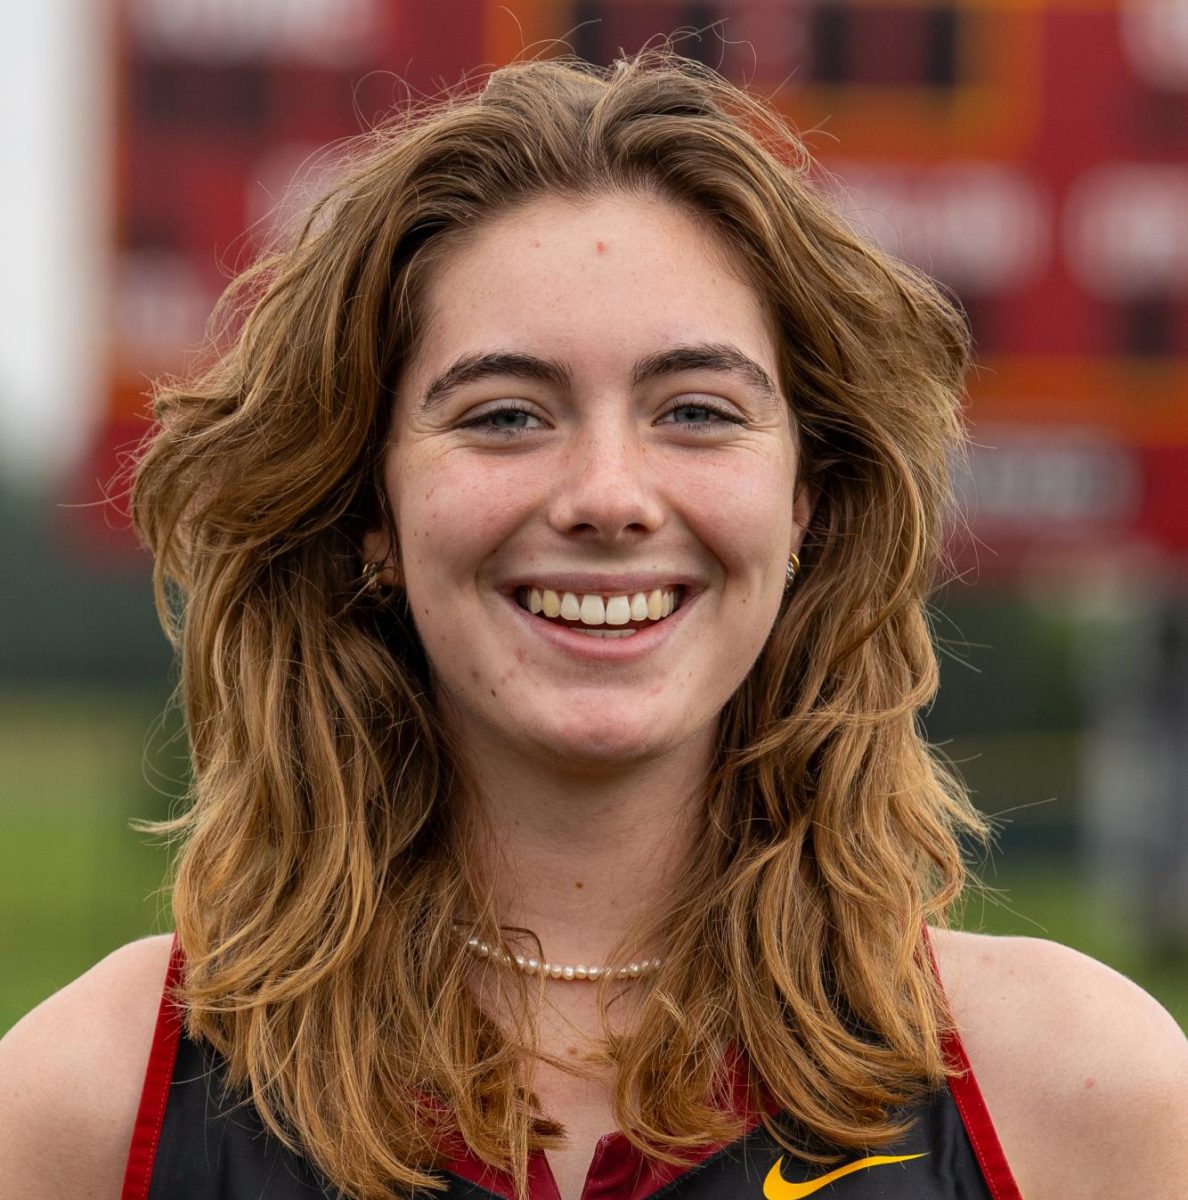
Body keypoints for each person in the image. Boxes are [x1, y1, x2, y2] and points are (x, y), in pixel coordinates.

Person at [1, 51, 1185, 1200]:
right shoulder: (89, 1112)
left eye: (697, 411)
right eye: (509, 414)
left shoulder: (1079, 1102)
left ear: (807, 502)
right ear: (371, 506)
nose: (610, 496)